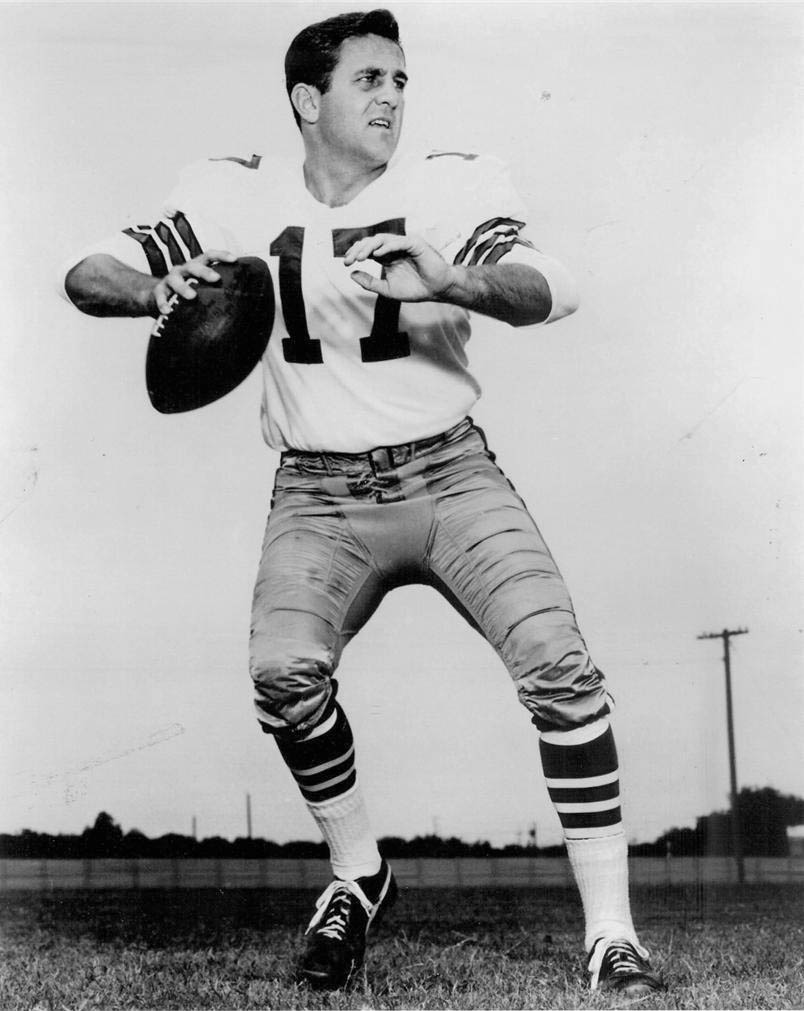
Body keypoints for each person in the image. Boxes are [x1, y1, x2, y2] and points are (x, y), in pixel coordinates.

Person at [59, 8, 665, 997]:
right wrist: (151, 292)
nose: (392, 97)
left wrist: (457, 281)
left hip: (449, 473)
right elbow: (84, 270)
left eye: (400, 81)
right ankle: (359, 875)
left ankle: (611, 934)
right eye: (369, 80)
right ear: (308, 99)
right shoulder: (234, 192)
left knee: (560, 665)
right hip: (319, 490)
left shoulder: (446, 185)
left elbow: (557, 283)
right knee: (281, 676)